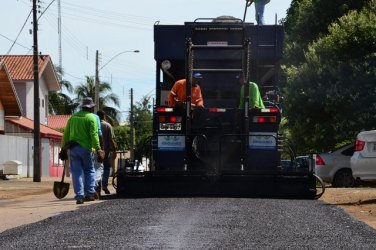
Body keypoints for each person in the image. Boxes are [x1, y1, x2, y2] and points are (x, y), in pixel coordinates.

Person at [60, 97, 103, 204]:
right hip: (87, 149)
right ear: (91, 107)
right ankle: (89, 193)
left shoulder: (73, 117)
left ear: (82, 106)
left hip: (73, 149)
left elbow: (66, 134)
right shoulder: (91, 118)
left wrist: (63, 149)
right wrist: (98, 149)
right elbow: (94, 135)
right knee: (89, 171)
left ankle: (79, 196)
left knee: (76, 172)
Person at [97, 110, 117, 195]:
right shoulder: (107, 125)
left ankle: (97, 189)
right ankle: (104, 185)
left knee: (96, 169)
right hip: (105, 152)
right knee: (106, 169)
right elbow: (111, 140)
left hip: (95, 152)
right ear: (104, 116)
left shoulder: (93, 124)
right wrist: (114, 150)